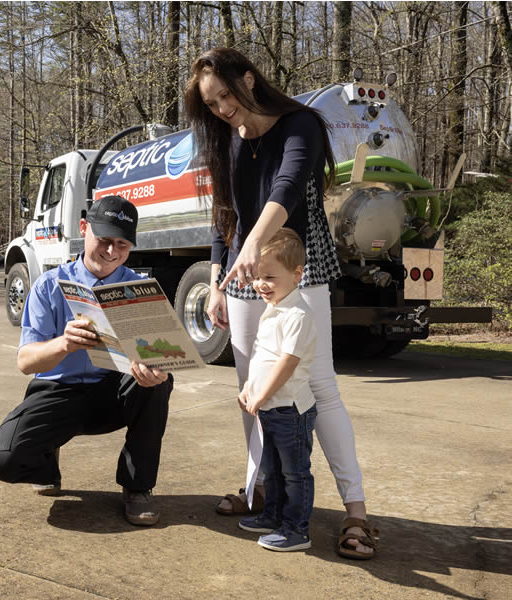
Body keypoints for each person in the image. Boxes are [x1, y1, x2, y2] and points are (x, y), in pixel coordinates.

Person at [184, 47, 378, 559]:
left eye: (225, 95)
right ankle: (262, 491)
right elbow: (224, 215)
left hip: (298, 267)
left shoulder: (300, 124)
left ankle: (356, 511)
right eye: (211, 103)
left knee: (320, 386)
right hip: (242, 274)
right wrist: (217, 279)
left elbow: (287, 187)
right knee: (252, 387)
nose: (222, 108)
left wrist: (253, 244)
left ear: (249, 79)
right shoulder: (227, 140)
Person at [0, 195, 174, 526]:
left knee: (158, 384)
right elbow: (26, 362)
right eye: (104, 240)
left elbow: (162, 355)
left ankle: (138, 486)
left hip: (115, 393)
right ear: (84, 228)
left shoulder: (141, 289)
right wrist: (63, 344)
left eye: (122, 244)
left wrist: (158, 371)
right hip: (60, 392)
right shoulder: (48, 286)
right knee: (4, 457)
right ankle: (46, 461)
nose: (112, 251)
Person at [236, 228, 317, 552]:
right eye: (257, 277)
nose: (260, 284)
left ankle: (296, 530)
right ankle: (273, 515)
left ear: (297, 274)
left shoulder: (298, 314)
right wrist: (249, 388)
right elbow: (262, 356)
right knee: (271, 469)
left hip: (290, 410)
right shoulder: (274, 309)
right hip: (269, 407)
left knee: (294, 473)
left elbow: (287, 362)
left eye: (269, 277)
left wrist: (262, 395)